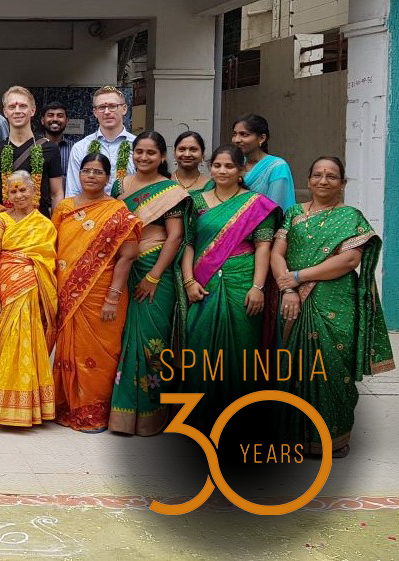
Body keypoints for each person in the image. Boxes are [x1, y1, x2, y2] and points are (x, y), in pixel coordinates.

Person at [273, 156, 393, 458]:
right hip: (291, 300)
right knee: (292, 366)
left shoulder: (351, 216)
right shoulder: (292, 214)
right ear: (309, 180)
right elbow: (277, 253)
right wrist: (287, 288)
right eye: (317, 175)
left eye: (331, 176)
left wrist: (299, 276)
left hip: (335, 301)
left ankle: (333, 438)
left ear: (342, 183)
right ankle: (293, 436)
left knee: (331, 366)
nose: (323, 181)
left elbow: (349, 261)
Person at [180, 144, 279, 429]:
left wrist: (258, 287)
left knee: (243, 348)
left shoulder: (256, 204)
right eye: (217, 166)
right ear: (209, 168)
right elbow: (187, 243)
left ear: (241, 170)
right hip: (203, 281)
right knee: (198, 346)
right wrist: (189, 280)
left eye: (229, 166)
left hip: (242, 281)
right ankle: (199, 417)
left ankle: (240, 417)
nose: (222, 171)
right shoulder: (195, 201)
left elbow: (263, 247)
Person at [52, 153, 140, 433]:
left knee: (99, 354)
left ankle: (93, 412)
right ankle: (65, 407)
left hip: (102, 293)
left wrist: (113, 297)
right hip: (65, 289)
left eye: (98, 172)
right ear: (78, 174)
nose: (91, 176)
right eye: (86, 171)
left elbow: (127, 256)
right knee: (67, 348)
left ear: (108, 176)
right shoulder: (64, 207)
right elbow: (52, 248)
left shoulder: (117, 211)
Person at [108, 132, 188, 436]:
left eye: (151, 153)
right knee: (122, 339)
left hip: (154, 271)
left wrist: (154, 276)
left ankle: (151, 416)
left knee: (153, 342)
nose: (143, 158)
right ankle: (122, 415)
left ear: (163, 157)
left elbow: (175, 236)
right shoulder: (120, 185)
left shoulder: (171, 191)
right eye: (139, 152)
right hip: (122, 269)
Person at [0, 170, 57, 427]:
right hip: (6, 288)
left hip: (33, 290)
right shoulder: (0, 220)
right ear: (7, 194)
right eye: (13, 191)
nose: (18, 195)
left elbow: (48, 262)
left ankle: (29, 406)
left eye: (22, 189)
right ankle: (7, 406)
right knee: (8, 343)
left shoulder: (45, 225)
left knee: (29, 342)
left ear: (34, 191)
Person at [0, 86, 63, 215]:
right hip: (4, 228)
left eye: (23, 106)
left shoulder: (50, 149)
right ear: (5, 112)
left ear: (32, 110)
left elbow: (56, 194)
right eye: (12, 107)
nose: (17, 111)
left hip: (39, 227)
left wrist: (55, 227)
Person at [65, 86, 136, 197]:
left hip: (129, 210)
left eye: (112, 106)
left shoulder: (137, 146)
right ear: (95, 112)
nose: (107, 112)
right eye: (101, 107)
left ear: (124, 109)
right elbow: (73, 192)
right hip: (91, 212)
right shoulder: (81, 147)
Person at [232, 114, 296, 209]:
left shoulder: (277, 167)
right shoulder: (234, 164)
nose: (237, 140)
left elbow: (275, 209)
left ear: (262, 138)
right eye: (234, 134)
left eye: (244, 134)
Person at [40, 101, 72, 169]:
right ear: (42, 120)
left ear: (67, 121)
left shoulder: (74, 149)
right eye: (50, 115)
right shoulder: (34, 147)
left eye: (60, 116)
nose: (55, 119)